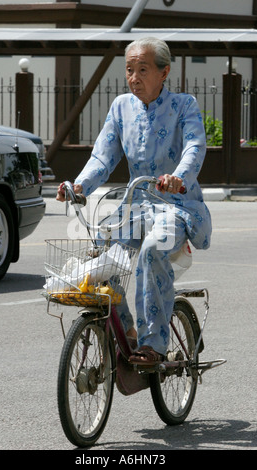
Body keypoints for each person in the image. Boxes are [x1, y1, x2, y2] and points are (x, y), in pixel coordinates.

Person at [57, 37, 212, 366]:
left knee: (152, 249)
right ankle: (127, 331)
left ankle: (154, 343)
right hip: (137, 205)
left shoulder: (184, 106)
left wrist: (179, 178)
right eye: (129, 70)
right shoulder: (121, 108)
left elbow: (195, 147)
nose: (134, 77)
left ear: (164, 72)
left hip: (177, 206)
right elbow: (102, 157)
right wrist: (79, 185)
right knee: (103, 253)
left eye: (142, 69)